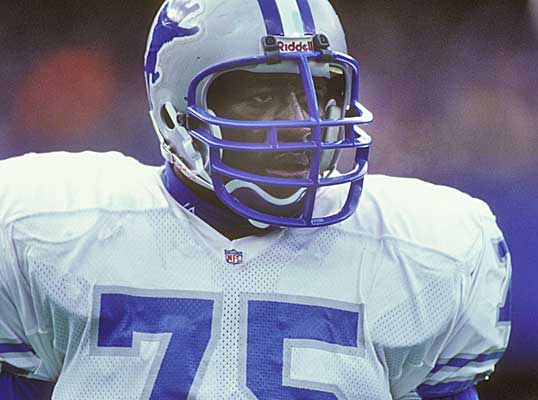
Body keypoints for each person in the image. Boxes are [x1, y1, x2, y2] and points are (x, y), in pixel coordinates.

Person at [0, 0, 511, 399]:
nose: (301, 121)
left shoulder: (423, 251)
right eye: (262, 96)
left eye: (320, 90)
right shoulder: (51, 230)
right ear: (176, 110)